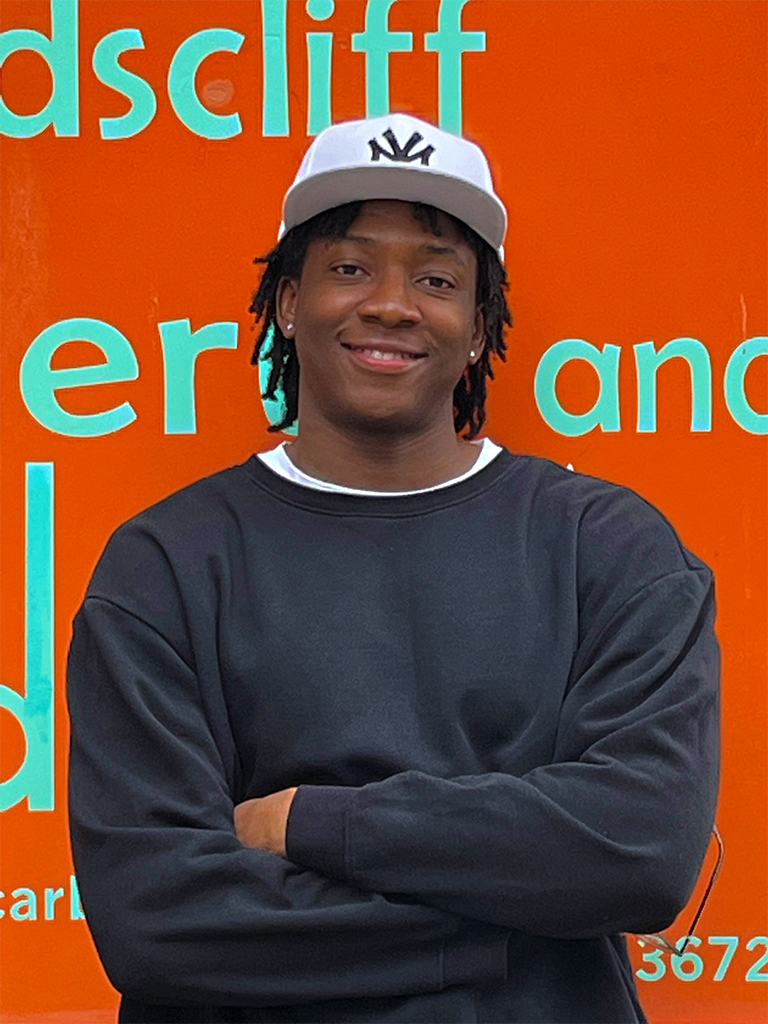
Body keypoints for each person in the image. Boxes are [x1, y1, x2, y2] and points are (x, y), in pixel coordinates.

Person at [66, 113, 720, 1024]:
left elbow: (642, 844)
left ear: (479, 321)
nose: (390, 303)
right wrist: (502, 927)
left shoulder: (607, 547)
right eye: (348, 267)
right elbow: (155, 914)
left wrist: (308, 823)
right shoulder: (164, 564)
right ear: (287, 303)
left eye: (438, 277)